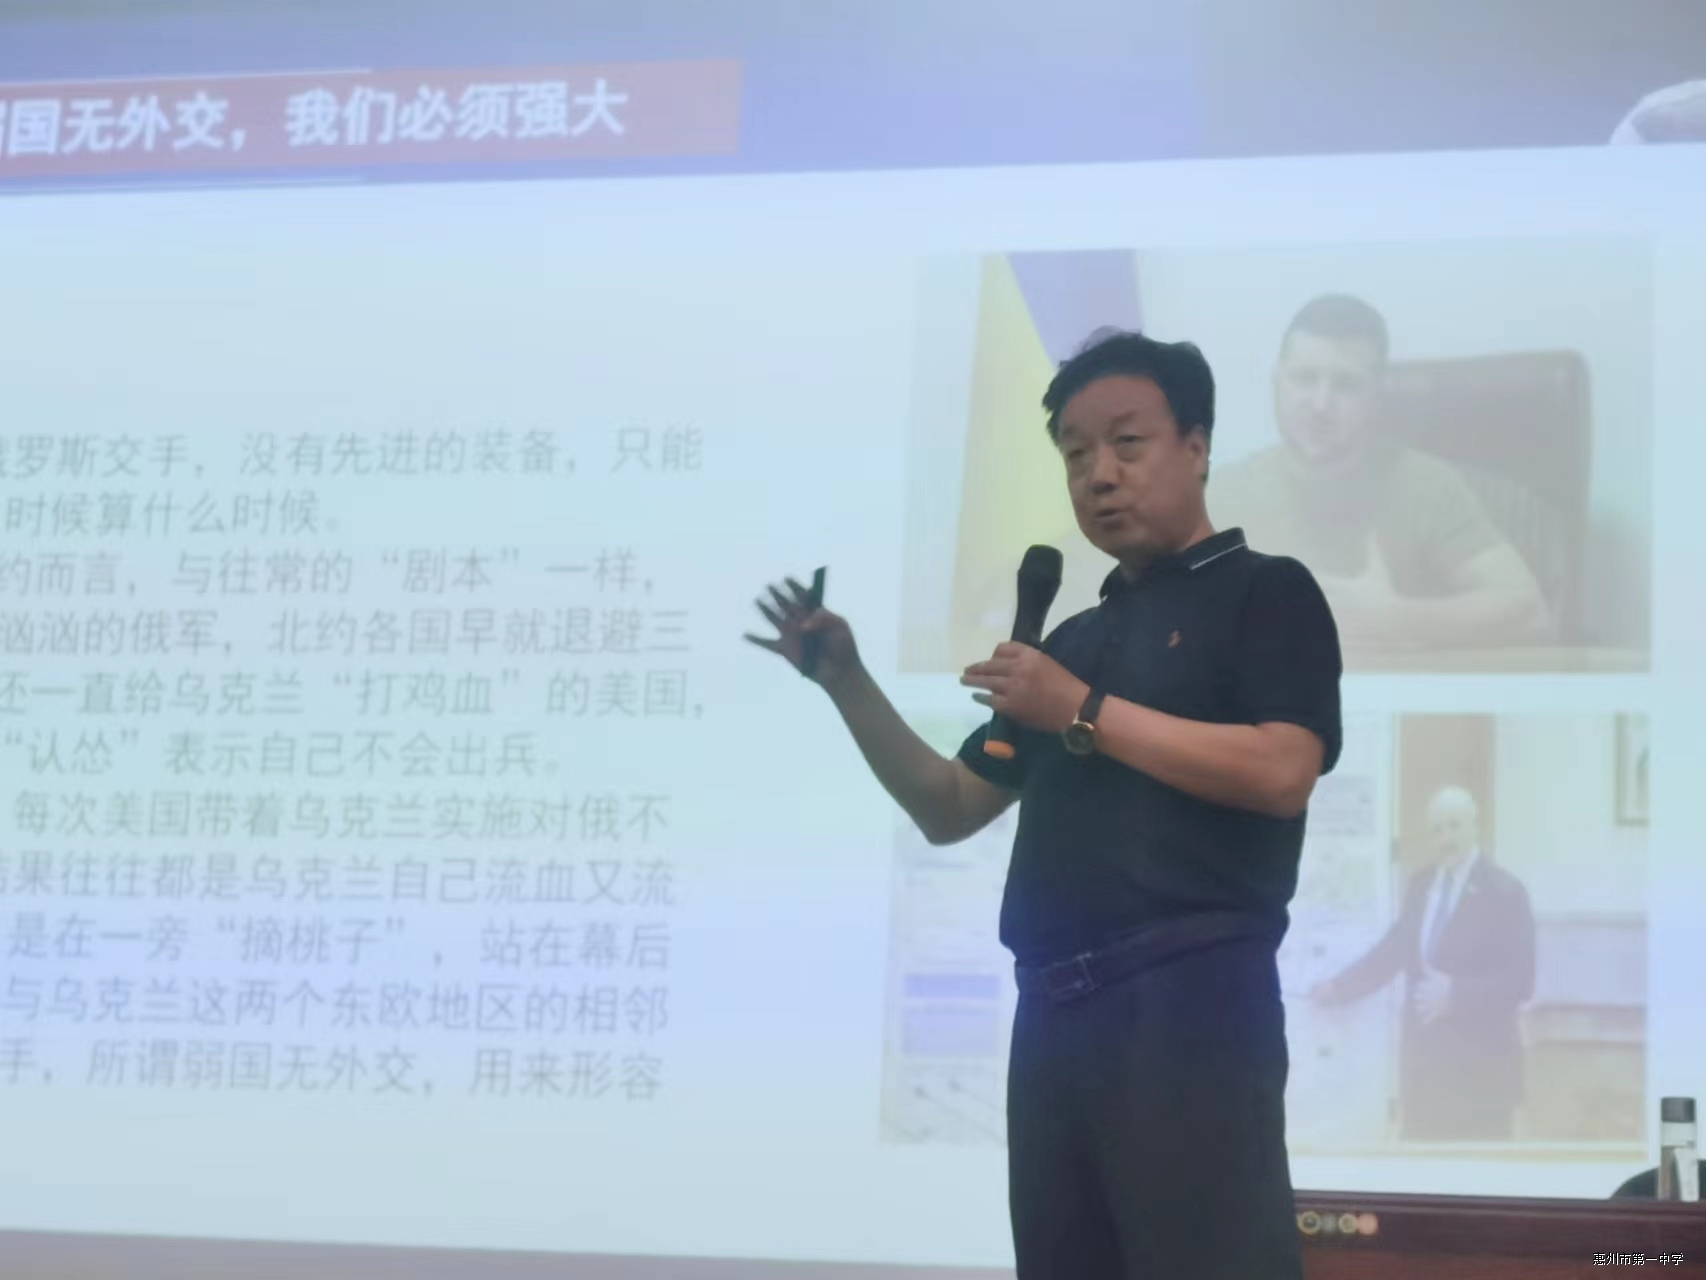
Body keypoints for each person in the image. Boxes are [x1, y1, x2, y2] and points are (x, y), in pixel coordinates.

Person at [748, 329, 1342, 1278]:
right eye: (1074, 453)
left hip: (1188, 1006)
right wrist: (844, 679)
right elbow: (949, 805)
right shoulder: (1073, 639)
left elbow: (1282, 772)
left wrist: (1081, 710)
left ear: (1197, 446)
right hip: (1054, 1017)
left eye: (1127, 443)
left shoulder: (1266, 593)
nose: (1098, 474)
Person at [1208, 294, 1552, 651]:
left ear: (1377, 395)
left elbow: (1530, 615)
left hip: (1391, 684)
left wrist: (1391, 618)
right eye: (1305, 379)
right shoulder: (1220, 496)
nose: (1321, 405)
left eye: (1346, 384)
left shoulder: (1427, 486)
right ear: (1277, 381)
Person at [1310, 785, 1536, 1141]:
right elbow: (1393, 950)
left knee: (1475, 1171)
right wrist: (1339, 988)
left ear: (1475, 826)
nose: (1447, 838)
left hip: (1481, 1078)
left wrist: (1456, 994)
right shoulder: (1421, 884)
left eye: (1454, 825)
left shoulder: (1505, 891)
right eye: (1437, 830)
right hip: (1425, 1075)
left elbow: (1520, 981)